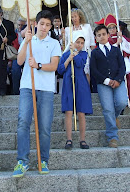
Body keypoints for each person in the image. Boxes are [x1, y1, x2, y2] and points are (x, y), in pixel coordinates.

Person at [12, 10, 61, 178]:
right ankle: (22, 161)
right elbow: (19, 61)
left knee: (45, 126)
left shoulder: (54, 43)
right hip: (27, 86)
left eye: (48, 25)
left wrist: (38, 65)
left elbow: (54, 66)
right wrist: (25, 42)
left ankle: (43, 160)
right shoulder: (29, 40)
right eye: (42, 24)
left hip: (46, 88)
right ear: (36, 24)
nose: (45, 27)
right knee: (23, 122)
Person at [90, 24, 128, 148]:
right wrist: (106, 80)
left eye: (104, 34)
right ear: (96, 38)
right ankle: (112, 136)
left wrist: (117, 80)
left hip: (118, 82)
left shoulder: (116, 50)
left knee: (122, 102)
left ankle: (115, 116)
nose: (102, 37)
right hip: (103, 83)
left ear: (108, 35)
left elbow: (122, 66)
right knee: (107, 109)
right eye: (99, 35)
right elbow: (93, 70)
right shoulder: (94, 53)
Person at [58, 32, 92, 150]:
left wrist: (75, 55)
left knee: (81, 112)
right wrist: (68, 58)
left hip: (80, 83)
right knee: (68, 111)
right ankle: (69, 139)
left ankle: (82, 139)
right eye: (78, 42)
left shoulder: (83, 54)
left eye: (82, 43)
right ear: (72, 42)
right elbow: (60, 69)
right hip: (68, 83)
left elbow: (80, 64)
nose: (80, 45)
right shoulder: (66, 54)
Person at [105, 14, 130, 113]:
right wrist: (117, 44)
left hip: (127, 63)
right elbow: (108, 53)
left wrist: (122, 40)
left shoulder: (122, 38)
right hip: (115, 66)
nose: (112, 30)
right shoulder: (107, 40)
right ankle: (121, 107)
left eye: (113, 27)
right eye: (109, 28)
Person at [64, 8, 95, 78]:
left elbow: (92, 42)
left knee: (87, 73)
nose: (74, 19)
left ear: (79, 16)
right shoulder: (68, 29)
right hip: (73, 53)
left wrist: (93, 54)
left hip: (86, 53)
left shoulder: (87, 27)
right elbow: (67, 44)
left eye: (75, 16)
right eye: (72, 17)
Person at [11, 18, 26, 95]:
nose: (20, 26)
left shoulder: (28, 33)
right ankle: (16, 91)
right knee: (15, 71)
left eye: (22, 25)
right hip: (16, 56)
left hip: (27, 56)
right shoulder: (14, 34)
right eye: (19, 25)